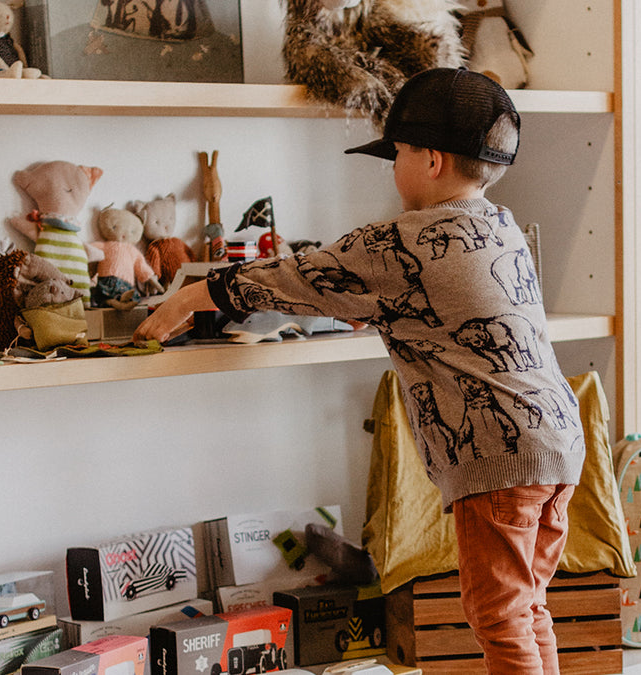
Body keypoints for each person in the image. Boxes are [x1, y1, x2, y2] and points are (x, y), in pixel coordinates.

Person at [133, 67, 585, 674]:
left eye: (395, 154)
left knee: (496, 615)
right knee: (527, 609)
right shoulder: (500, 227)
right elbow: (439, 308)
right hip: (555, 443)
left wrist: (190, 297)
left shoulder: (407, 240)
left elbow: (298, 277)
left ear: (430, 160)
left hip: (498, 455)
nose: (390, 168)